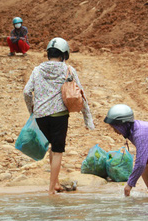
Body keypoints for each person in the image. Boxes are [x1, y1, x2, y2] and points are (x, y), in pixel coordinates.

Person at [23, 37, 95, 194]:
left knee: (51, 148)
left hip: (41, 115)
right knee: (57, 150)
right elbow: (80, 94)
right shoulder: (68, 70)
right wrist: (87, 118)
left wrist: (32, 111)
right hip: (59, 116)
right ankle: (51, 190)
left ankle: (55, 183)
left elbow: (27, 92)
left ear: (48, 54)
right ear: (64, 55)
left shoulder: (37, 70)